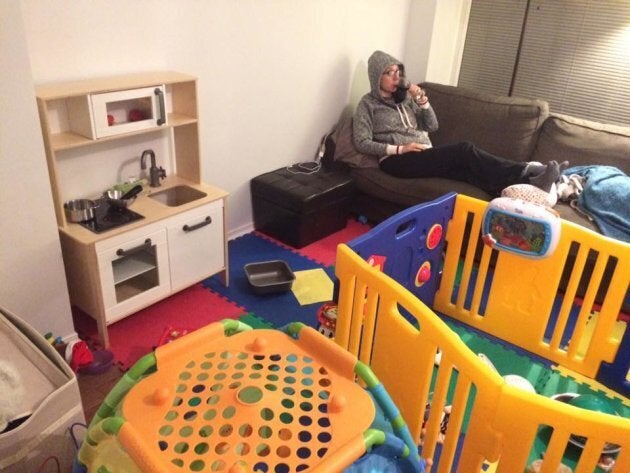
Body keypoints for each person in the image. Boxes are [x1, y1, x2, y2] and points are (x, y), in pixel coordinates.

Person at [353, 50, 566, 196]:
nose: (396, 78)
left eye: (398, 73)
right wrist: (399, 148)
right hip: (395, 161)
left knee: (466, 172)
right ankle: (528, 170)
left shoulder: (405, 99)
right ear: (376, 76)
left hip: (423, 151)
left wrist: (422, 101)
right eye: (389, 73)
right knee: (464, 150)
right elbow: (361, 142)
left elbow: (432, 125)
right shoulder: (368, 104)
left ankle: (530, 186)